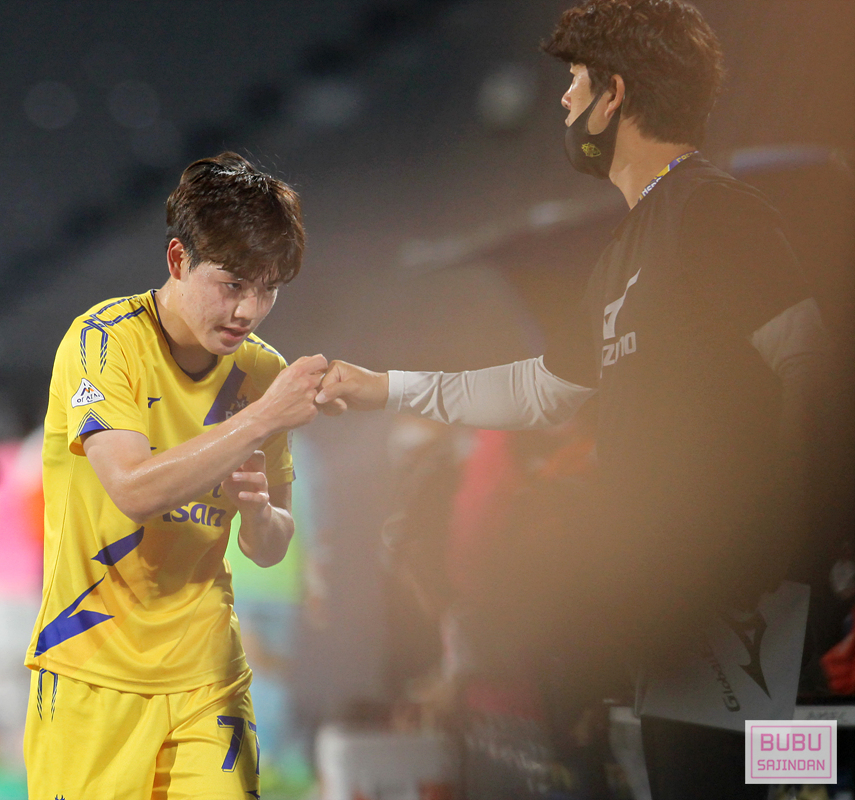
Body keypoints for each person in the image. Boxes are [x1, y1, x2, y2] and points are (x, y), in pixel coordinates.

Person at [314, 2, 835, 798]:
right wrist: (385, 388)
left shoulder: (711, 210)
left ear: (615, 94)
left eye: (576, 82)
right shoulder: (628, 247)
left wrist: (784, 555)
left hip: (746, 608)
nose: (563, 100)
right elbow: (544, 389)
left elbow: (811, 360)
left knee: (764, 781)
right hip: (682, 606)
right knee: (693, 782)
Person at [22, 153, 325, 800]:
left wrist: (259, 514)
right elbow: (132, 489)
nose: (249, 310)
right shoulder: (102, 342)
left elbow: (270, 546)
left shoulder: (264, 373)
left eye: (269, 289)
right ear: (178, 259)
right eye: (233, 284)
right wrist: (260, 420)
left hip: (208, 674)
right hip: (93, 672)